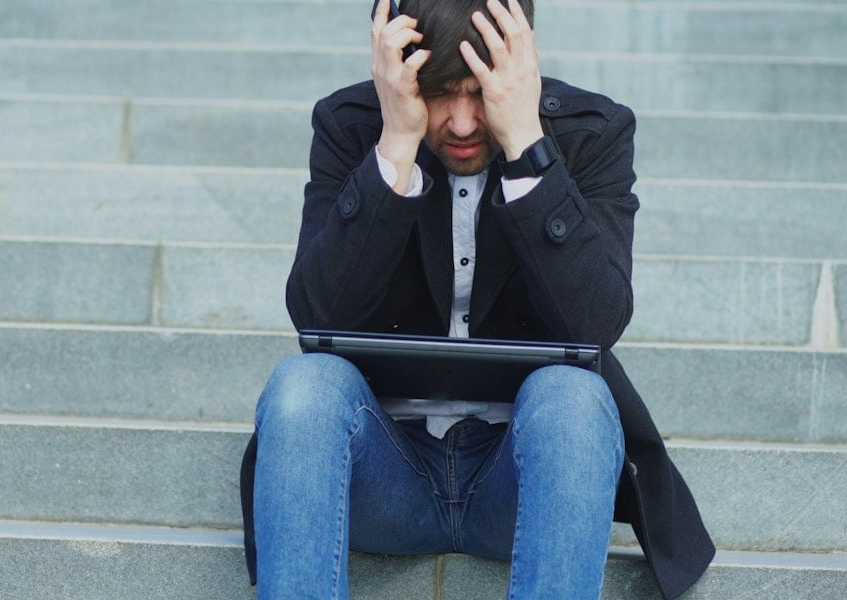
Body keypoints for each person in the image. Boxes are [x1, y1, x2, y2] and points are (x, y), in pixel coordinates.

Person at [239, 0, 714, 597]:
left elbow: (595, 325)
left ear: (519, 63)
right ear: (400, 72)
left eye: (480, 91)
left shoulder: (591, 134)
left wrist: (525, 146)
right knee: (301, 388)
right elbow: (317, 315)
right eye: (439, 92)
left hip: (522, 481)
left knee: (573, 394)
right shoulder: (354, 126)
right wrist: (396, 146)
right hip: (384, 476)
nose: (463, 123)